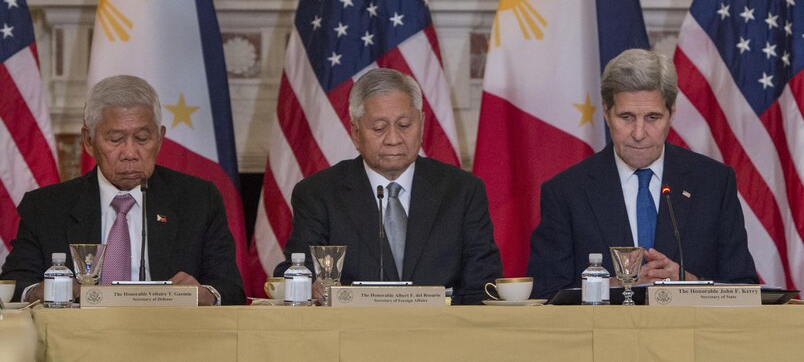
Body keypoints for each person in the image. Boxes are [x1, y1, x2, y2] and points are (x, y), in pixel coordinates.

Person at [526, 49, 758, 300]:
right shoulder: (566, 192)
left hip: (690, 336)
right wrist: (621, 284)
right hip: (604, 337)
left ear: (672, 114)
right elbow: (546, 293)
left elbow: (743, 287)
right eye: (626, 117)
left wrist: (690, 283)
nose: (638, 133)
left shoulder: (713, 183)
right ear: (606, 113)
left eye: (652, 117)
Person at [1, 75, 244, 305]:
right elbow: (15, 283)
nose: (129, 153)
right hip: (80, 339)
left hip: (171, 339)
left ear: (159, 139)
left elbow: (230, 287)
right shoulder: (46, 207)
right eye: (115, 139)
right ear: (88, 141)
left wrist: (206, 294)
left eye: (142, 138)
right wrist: (42, 290)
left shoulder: (199, 200)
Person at [276, 68, 502, 304]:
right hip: (353, 335)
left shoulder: (462, 191)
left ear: (422, 124)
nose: (394, 139)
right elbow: (296, 270)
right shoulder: (318, 193)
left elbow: (483, 284)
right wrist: (310, 288)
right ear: (355, 132)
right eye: (379, 128)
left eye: (404, 125)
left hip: (442, 334)